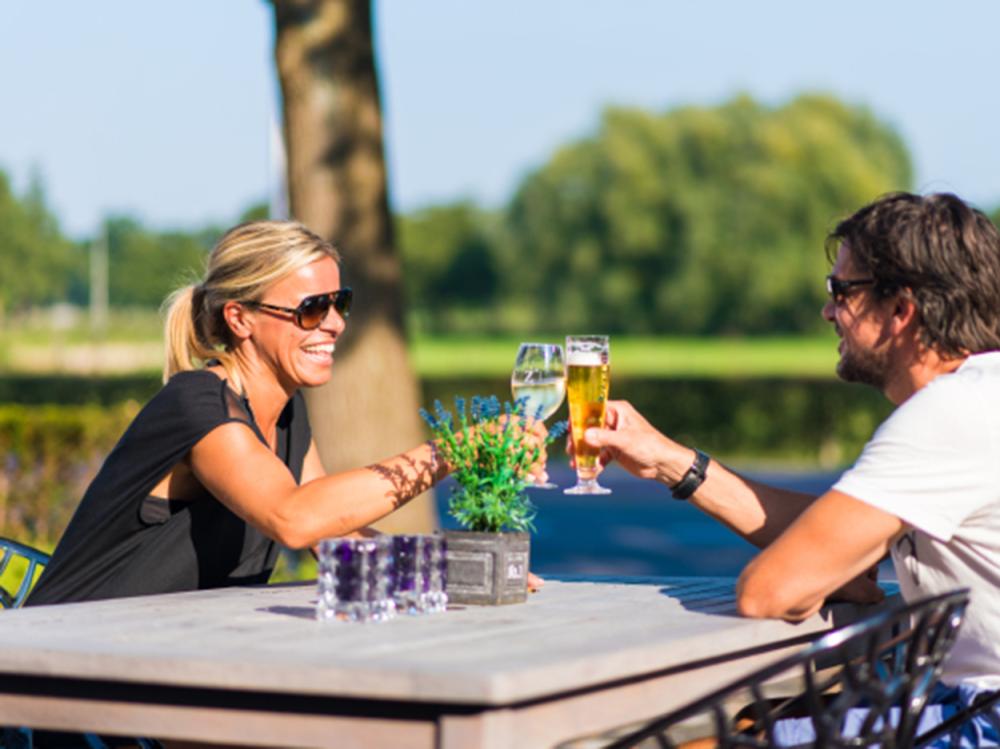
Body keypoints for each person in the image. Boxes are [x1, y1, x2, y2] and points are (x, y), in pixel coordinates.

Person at [581, 192, 1000, 741]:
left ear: (902, 310)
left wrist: (812, 576)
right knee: (754, 721)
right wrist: (669, 460)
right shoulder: (978, 397)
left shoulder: (948, 414)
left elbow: (770, 592)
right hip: (956, 698)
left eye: (841, 291)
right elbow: (832, 540)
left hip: (979, 719)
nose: (829, 311)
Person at [26, 220, 543, 607]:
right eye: (312, 309)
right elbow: (294, 519)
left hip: (172, 666)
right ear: (240, 318)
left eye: (340, 303)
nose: (336, 324)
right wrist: (457, 447)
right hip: (70, 688)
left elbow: (333, 538)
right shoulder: (197, 405)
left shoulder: (288, 411)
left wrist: (456, 569)